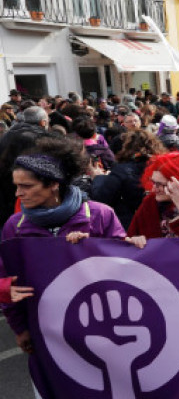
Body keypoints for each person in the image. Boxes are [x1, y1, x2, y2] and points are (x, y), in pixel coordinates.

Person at [1, 136, 127, 355]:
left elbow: (125, 268)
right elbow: (6, 280)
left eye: (26, 186)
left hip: (100, 325)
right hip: (45, 329)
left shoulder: (100, 215)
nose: (18, 194)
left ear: (53, 184)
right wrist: (20, 328)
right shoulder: (15, 225)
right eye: (17, 186)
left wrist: (94, 249)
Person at [92, 130, 166, 231]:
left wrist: (99, 179)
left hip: (131, 225)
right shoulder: (163, 166)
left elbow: (102, 199)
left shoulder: (121, 170)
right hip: (161, 222)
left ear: (126, 146)